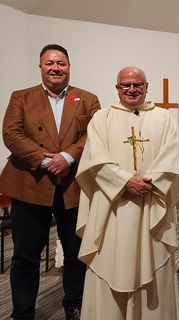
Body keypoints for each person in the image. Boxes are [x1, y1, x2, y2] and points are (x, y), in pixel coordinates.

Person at [75, 66, 179, 319]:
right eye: (125, 85)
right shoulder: (102, 119)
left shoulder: (163, 119)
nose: (132, 89)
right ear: (117, 89)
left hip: (150, 205)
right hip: (113, 209)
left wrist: (147, 184)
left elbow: (171, 158)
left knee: (154, 262)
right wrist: (125, 182)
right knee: (111, 262)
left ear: (147, 87)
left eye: (138, 85)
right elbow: (94, 160)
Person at [0, 44, 100, 320]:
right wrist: (47, 160)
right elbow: (11, 134)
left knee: (76, 253)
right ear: (41, 67)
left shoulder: (88, 99)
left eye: (61, 63)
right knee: (25, 256)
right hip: (30, 184)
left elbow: (94, 135)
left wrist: (67, 157)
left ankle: (75, 305)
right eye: (50, 63)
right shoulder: (21, 97)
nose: (56, 68)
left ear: (69, 66)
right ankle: (23, 311)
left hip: (73, 186)